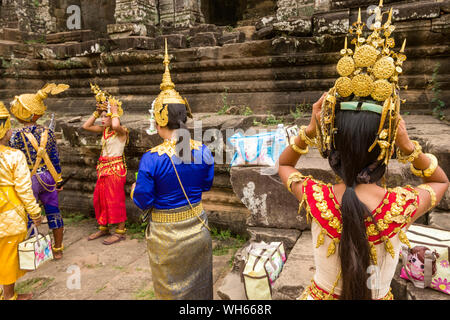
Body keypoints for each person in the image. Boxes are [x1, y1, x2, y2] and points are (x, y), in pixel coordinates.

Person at [278, 3, 449, 300]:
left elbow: (284, 166)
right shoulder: (400, 206)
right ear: (387, 145)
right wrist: (408, 148)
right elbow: (440, 182)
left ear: (333, 143)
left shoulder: (316, 198)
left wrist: (309, 129)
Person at [131, 40, 215, 299]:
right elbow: (206, 185)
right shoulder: (203, 150)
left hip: (167, 238)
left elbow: (144, 199)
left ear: (160, 118)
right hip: (198, 227)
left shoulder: (151, 159)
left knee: (171, 293)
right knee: (200, 291)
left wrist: (135, 189)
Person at [9, 83, 69, 260]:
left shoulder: (16, 136)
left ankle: (29, 253)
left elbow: (15, 161)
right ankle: (58, 249)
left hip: (29, 179)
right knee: (54, 212)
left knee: (28, 215)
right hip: (49, 177)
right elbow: (55, 158)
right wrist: (59, 181)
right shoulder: (48, 133)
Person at [0, 102, 42, 300]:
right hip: (9, 213)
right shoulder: (14, 156)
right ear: (5, 129)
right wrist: (35, 212)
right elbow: (24, 189)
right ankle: (9, 296)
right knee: (8, 255)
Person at [82, 84, 129, 245]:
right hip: (103, 169)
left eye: (105, 116)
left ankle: (120, 231)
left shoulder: (121, 131)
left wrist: (114, 111)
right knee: (100, 199)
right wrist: (97, 111)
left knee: (115, 200)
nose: (102, 119)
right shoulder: (104, 130)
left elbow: (116, 125)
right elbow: (85, 126)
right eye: (102, 116)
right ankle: (103, 227)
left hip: (115, 170)